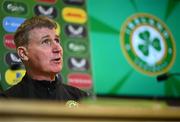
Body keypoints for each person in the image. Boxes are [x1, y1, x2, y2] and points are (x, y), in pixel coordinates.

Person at [1, 16, 88, 101]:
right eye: (46, 41)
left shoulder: (80, 98)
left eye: (57, 40)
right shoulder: (7, 101)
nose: (58, 48)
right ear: (23, 53)